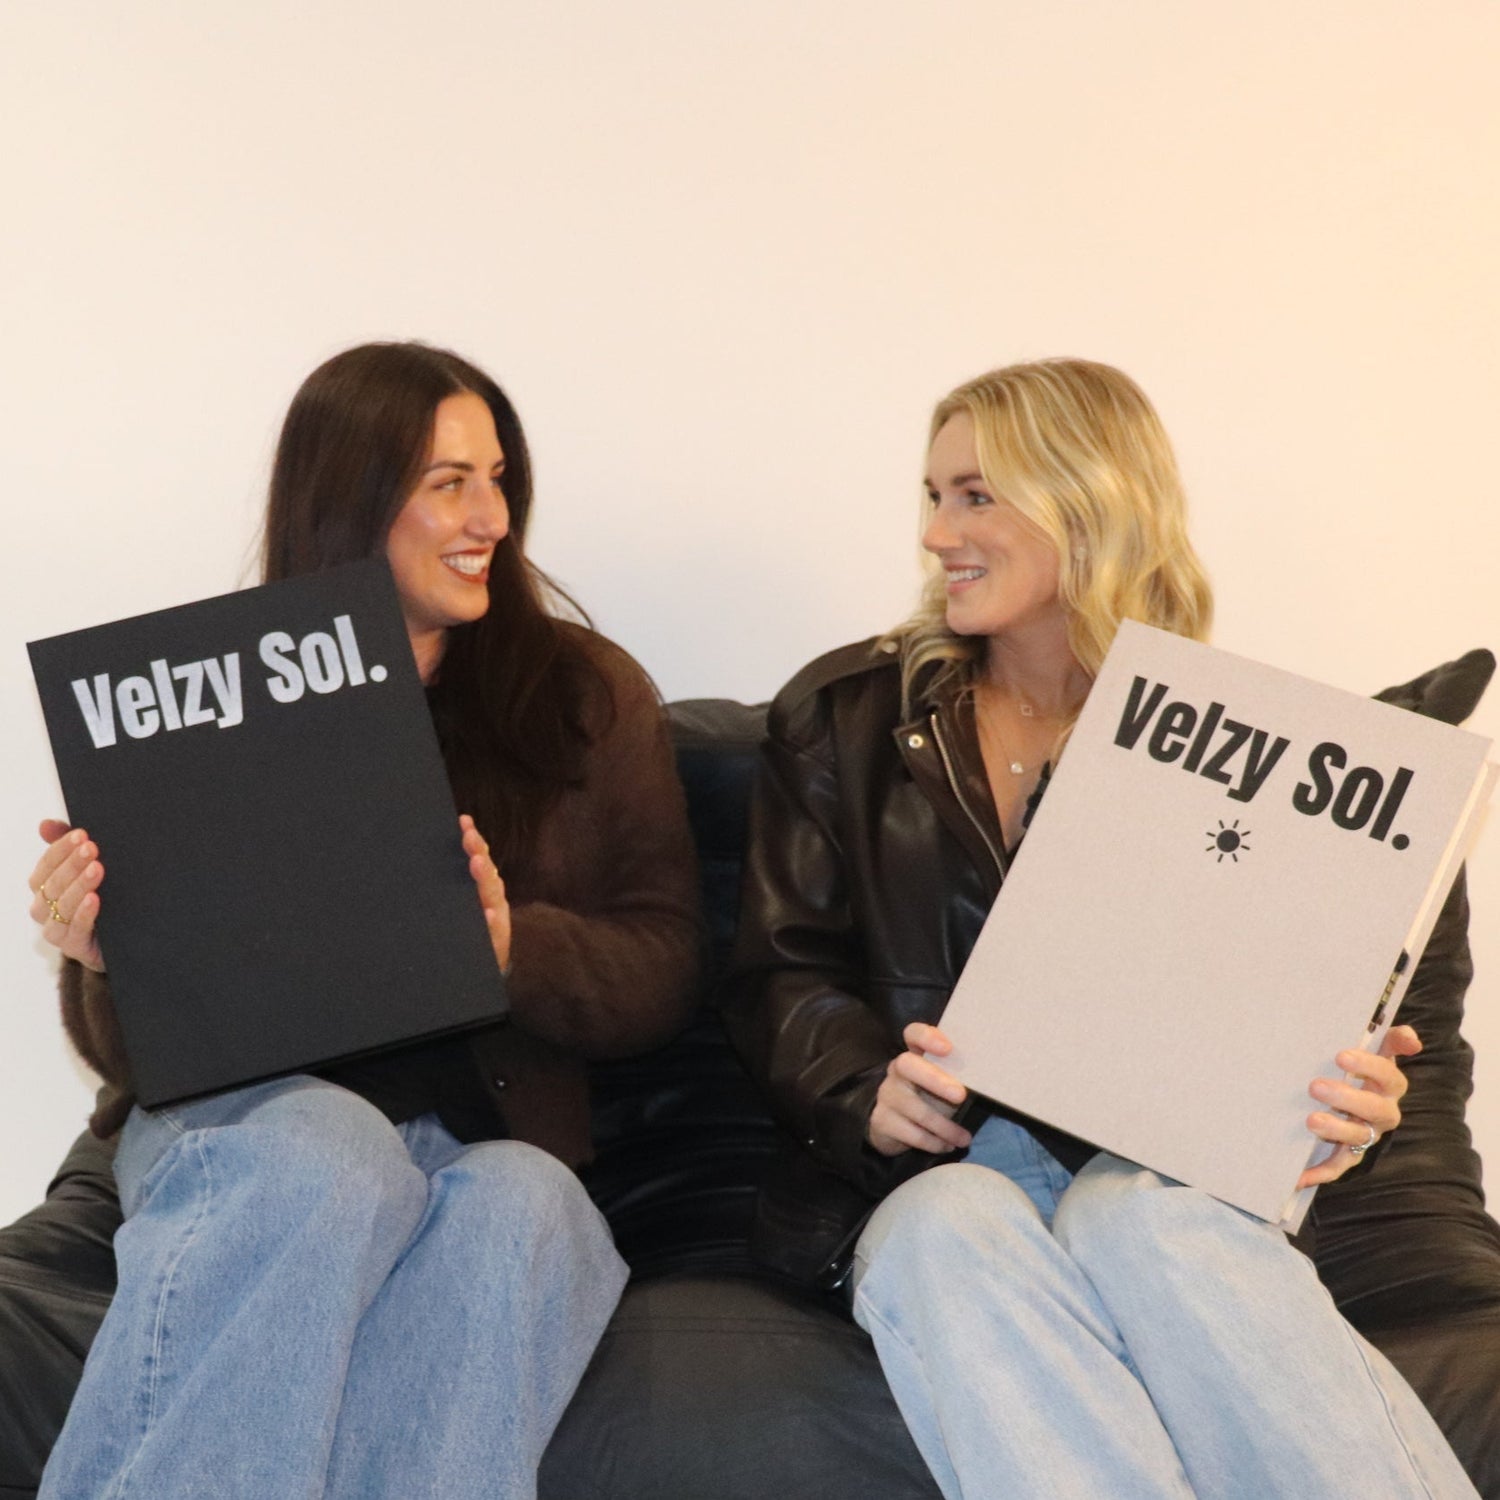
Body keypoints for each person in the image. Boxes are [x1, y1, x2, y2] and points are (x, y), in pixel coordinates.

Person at [724, 358, 1479, 1499]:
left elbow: (1302, 1005)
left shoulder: (1243, 746)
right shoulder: (843, 716)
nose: (939, 534)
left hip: (1155, 1167)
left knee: (1147, 1220)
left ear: (1085, 501)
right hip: (922, 1174)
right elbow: (783, 971)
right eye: (933, 497)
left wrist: (1344, 1097)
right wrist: (859, 1087)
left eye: (975, 495)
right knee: (953, 1225)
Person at [25, 341, 701, 1499]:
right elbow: (143, 1052)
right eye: (448, 482)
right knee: (333, 1156)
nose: (490, 513)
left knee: (528, 1208)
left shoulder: (586, 695)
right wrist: (102, 954)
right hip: (249, 1127)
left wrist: (507, 947)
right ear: (351, 494)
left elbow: (664, 965)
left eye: (498, 477)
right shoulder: (211, 695)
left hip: (486, 1135)